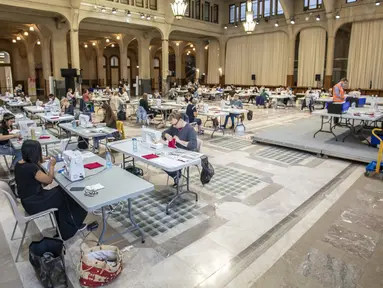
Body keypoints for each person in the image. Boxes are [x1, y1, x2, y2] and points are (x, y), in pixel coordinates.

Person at [14, 140, 88, 240]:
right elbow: (49, 180)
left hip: (27, 201)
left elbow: (33, 170)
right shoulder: (31, 167)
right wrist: (52, 166)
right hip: (34, 203)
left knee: (62, 193)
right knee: (68, 194)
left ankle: (65, 226)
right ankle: (70, 228)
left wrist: (40, 160)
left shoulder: (19, 164)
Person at [162, 111, 198, 186]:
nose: (173, 126)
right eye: (172, 124)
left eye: (175, 124)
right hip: (176, 151)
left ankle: (177, 175)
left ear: (181, 120)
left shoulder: (190, 129)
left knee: (168, 164)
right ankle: (176, 175)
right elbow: (164, 132)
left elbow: (193, 145)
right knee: (160, 162)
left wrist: (179, 141)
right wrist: (166, 135)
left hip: (187, 153)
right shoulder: (174, 127)